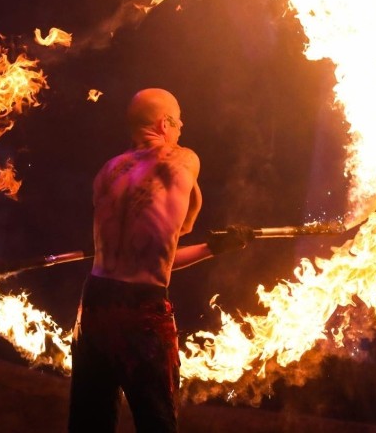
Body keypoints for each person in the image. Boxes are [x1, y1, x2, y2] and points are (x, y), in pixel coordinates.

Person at [68, 88, 253, 432]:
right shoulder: (183, 160)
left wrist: (214, 248)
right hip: (142, 314)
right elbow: (184, 226)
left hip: (93, 305)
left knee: (89, 426)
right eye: (179, 121)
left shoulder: (107, 171)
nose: (182, 129)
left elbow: (155, 257)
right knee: (158, 425)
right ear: (164, 122)